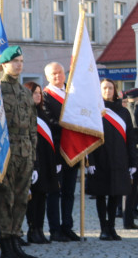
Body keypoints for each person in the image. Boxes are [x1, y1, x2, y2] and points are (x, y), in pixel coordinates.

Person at [0, 46, 38, 258]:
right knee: (5, 199)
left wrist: (33, 152)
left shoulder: (24, 92)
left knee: (21, 199)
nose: (19, 65)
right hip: (6, 150)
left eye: (21, 61)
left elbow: (32, 124)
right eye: (14, 61)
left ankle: (15, 240)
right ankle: (5, 246)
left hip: (25, 151)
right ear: (4, 64)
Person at [86, 80, 138, 241]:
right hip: (100, 158)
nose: (107, 90)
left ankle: (112, 228)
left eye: (110, 88)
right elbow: (89, 137)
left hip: (120, 159)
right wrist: (90, 161)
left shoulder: (123, 112)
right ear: (99, 90)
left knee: (116, 194)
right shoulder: (95, 110)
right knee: (101, 194)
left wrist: (133, 162)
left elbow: (130, 138)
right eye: (104, 88)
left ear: (115, 90)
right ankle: (103, 228)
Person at [42, 62, 80, 242]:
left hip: (73, 150)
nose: (57, 76)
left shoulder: (72, 94)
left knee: (69, 192)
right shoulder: (45, 97)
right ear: (47, 77)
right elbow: (50, 123)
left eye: (59, 73)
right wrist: (71, 126)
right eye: (53, 74)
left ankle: (67, 226)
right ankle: (55, 229)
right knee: (54, 192)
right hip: (55, 152)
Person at [24, 81, 60, 244]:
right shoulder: (26, 113)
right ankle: (32, 230)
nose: (38, 95)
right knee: (34, 198)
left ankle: (39, 228)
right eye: (34, 93)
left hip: (46, 161)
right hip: (34, 161)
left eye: (39, 92)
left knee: (43, 196)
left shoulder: (43, 113)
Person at [123, 88, 138, 229]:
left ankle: (128, 218)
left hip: (132, 153)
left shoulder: (128, 110)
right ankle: (128, 219)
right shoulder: (132, 111)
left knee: (132, 190)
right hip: (133, 154)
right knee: (132, 189)